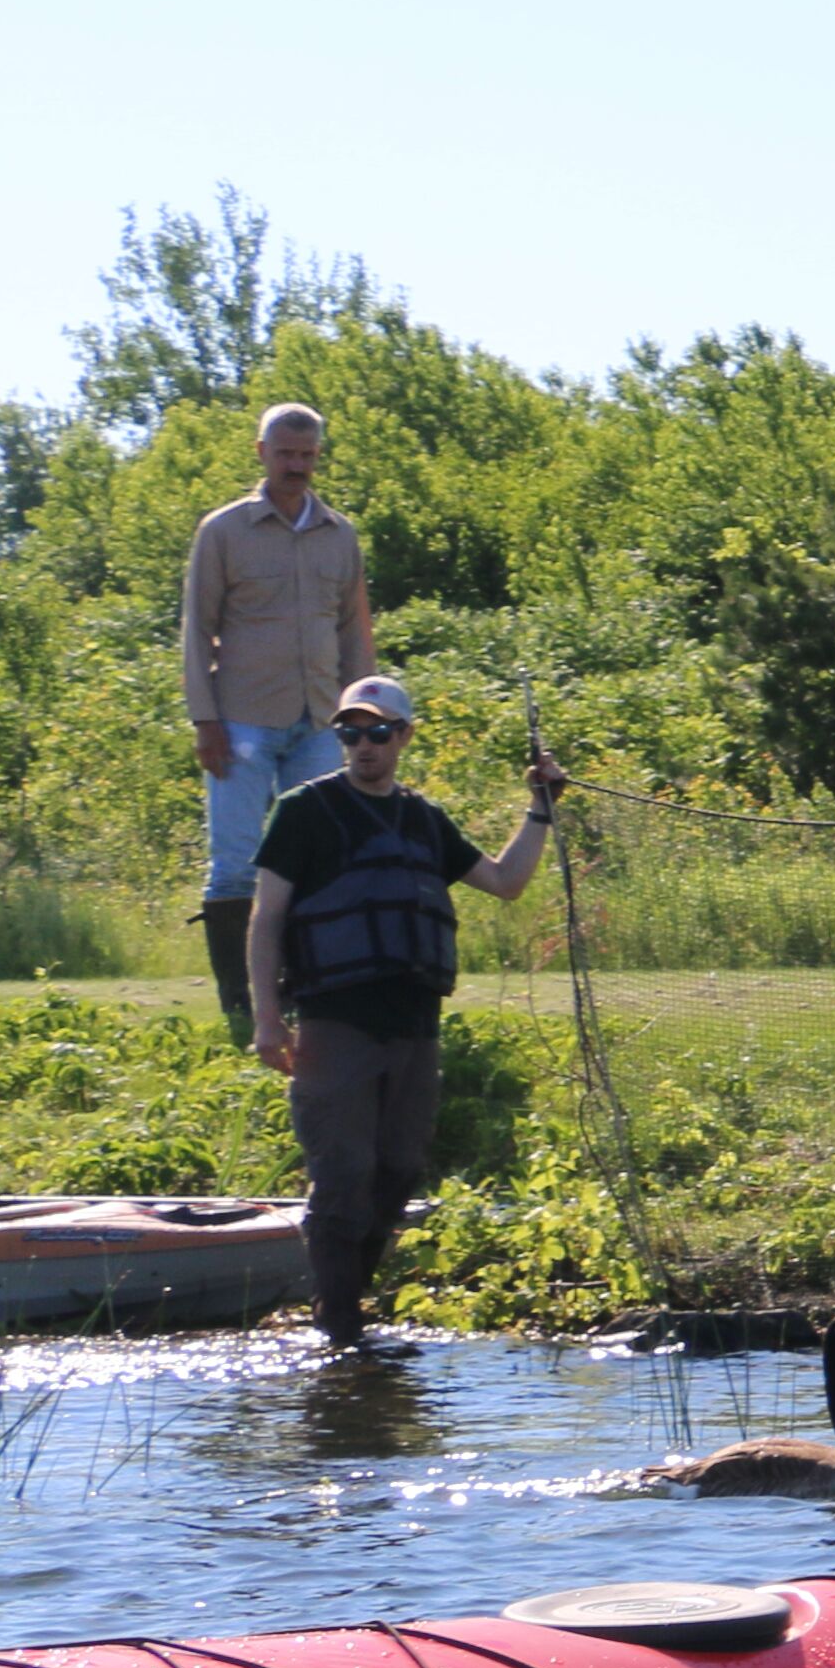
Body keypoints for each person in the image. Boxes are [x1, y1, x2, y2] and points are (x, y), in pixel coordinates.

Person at [248, 674, 560, 1347]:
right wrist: (267, 1018)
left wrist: (539, 807)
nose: (364, 746)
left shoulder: (423, 818)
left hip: (415, 1026)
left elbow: (505, 882)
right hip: (335, 1020)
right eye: (350, 733)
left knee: (398, 1171)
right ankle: (339, 1335)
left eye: (379, 732)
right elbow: (266, 918)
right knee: (345, 1175)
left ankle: (341, 1320)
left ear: (404, 737)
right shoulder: (304, 811)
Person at [181, 402, 384, 1047]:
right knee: (236, 865)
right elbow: (197, 630)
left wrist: (366, 716)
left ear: (318, 455)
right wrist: (204, 719)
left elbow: (354, 631)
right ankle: (243, 1010)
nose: (296, 465)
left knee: (319, 862)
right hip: (241, 721)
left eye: (307, 454)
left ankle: (307, 998)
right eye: (285, 453)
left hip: (322, 722)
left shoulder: (339, 535)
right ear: (261, 452)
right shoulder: (223, 531)